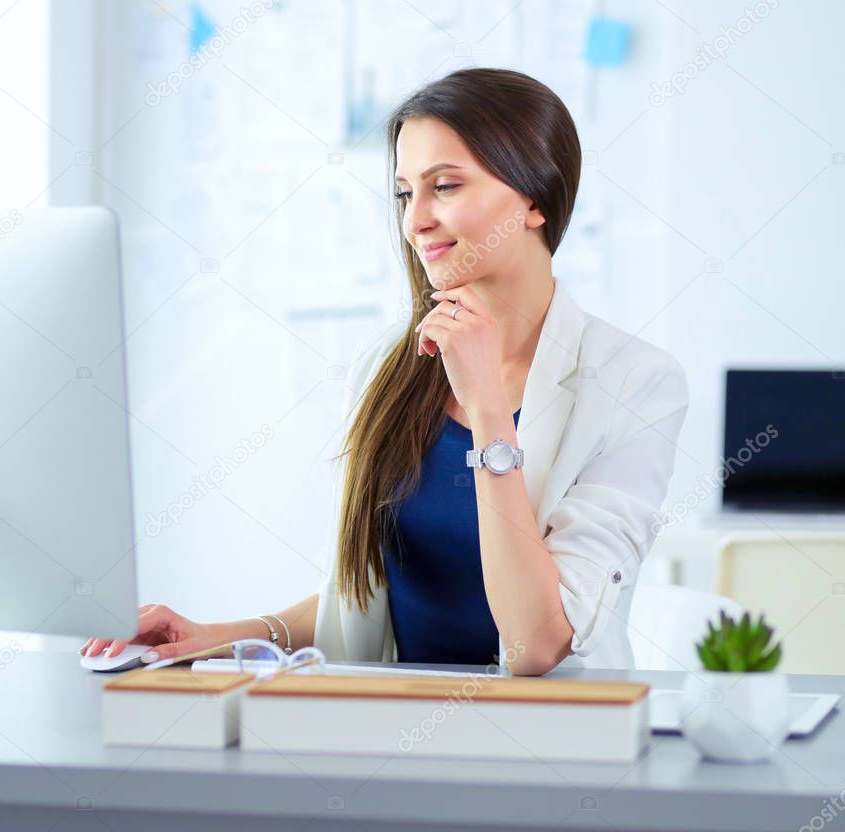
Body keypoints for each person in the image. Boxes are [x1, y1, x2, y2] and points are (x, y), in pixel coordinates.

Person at [81, 67, 689, 676]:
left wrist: (487, 411)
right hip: (389, 724)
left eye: (444, 186)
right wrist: (220, 635)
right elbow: (367, 606)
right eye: (404, 193)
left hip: (552, 741)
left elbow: (538, 645)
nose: (414, 220)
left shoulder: (637, 384)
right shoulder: (388, 366)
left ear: (534, 199)